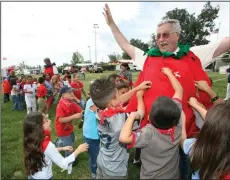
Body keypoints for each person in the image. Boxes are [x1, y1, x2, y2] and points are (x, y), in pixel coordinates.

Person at [103, 3, 230, 178]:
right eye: (158, 36)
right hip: (156, 135)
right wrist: (111, 24)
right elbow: (125, 44)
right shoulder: (148, 57)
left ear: (177, 35)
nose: (161, 39)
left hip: (186, 132)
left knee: (184, 164)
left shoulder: (194, 54)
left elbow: (225, 43)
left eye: (165, 35)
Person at [120, 67, 184, 179]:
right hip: (173, 175)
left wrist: (131, 116)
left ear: (149, 118)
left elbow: (124, 138)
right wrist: (170, 74)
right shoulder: (178, 124)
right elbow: (179, 91)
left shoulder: (148, 133)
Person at [89, 78, 151, 179]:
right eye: (118, 93)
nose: (120, 96)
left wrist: (137, 88)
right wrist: (139, 97)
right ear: (113, 101)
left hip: (102, 160)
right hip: (115, 169)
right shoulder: (121, 120)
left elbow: (118, 100)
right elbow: (141, 114)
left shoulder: (99, 110)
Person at [23, 112, 89, 179]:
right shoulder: (47, 145)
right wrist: (78, 150)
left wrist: (62, 148)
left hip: (32, 175)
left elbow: (45, 152)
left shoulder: (31, 140)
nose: (50, 121)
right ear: (39, 128)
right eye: (46, 120)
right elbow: (63, 163)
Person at [181, 102, 230, 179]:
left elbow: (182, 140)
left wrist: (182, 121)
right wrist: (196, 105)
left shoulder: (196, 147)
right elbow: (221, 125)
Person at [55, 85, 83, 174]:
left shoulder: (71, 103)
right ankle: (69, 162)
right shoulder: (61, 105)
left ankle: (58, 144)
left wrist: (81, 104)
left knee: (72, 139)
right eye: (69, 92)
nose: (72, 93)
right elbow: (61, 120)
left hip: (68, 128)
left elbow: (80, 110)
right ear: (63, 94)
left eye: (72, 92)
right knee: (69, 146)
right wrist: (74, 116)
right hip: (62, 129)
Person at [82, 98, 99, 179]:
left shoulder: (96, 99)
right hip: (91, 137)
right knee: (93, 157)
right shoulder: (92, 101)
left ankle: (97, 170)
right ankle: (93, 172)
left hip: (95, 135)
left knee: (97, 155)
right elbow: (96, 108)